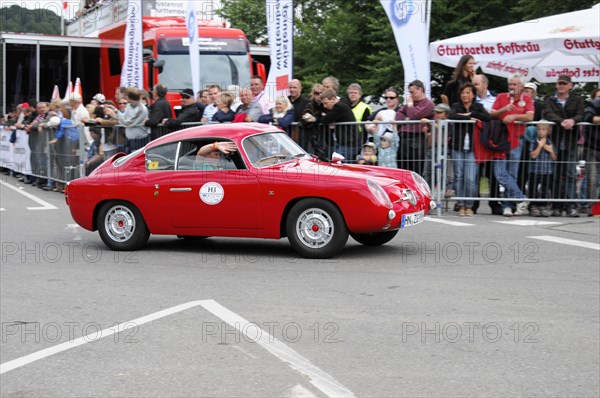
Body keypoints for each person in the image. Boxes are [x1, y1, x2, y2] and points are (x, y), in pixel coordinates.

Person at [490, 73, 533, 217]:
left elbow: (530, 116)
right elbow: (492, 114)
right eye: (510, 84)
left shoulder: (526, 98)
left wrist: (514, 116)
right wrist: (504, 110)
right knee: (500, 173)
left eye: (515, 84)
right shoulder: (502, 97)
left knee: (512, 174)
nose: (512, 87)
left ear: (521, 86)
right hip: (501, 140)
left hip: (517, 140)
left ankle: (508, 206)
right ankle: (521, 198)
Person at [543, 74, 585, 217]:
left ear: (570, 86)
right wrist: (562, 121)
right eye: (559, 83)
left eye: (564, 83)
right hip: (554, 139)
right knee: (555, 174)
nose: (561, 86)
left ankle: (571, 205)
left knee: (569, 174)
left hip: (571, 140)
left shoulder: (578, 99)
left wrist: (572, 121)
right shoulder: (550, 99)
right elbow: (548, 113)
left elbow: (581, 114)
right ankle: (556, 205)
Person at [449, 83, 491, 216]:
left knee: (471, 178)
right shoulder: (456, 106)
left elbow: (487, 117)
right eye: (463, 93)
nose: (465, 95)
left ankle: (469, 205)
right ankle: (461, 205)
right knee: (459, 176)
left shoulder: (477, 107)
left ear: (473, 94)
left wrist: (472, 113)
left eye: (468, 92)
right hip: (458, 147)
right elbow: (452, 116)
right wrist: (468, 117)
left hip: (473, 147)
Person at [472, 73, 501, 215]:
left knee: (493, 175)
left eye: (476, 84)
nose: (473, 87)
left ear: (485, 85)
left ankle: (494, 203)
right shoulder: (471, 100)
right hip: (475, 142)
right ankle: (473, 204)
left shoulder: (496, 100)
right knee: (475, 175)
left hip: (491, 142)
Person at [395, 80, 434, 174]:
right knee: (403, 169)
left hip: (417, 138)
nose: (410, 95)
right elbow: (398, 115)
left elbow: (414, 115)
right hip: (404, 137)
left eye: (412, 92)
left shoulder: (428, 104)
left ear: (420, 89)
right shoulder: (410, 103)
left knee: (415, 169)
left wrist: (410, 105)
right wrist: (407, 117)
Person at [104, 87, 149, 153]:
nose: (125, 98)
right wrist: (115, 110)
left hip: (139, 140)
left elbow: (127, 123)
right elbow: (124, 118)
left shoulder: (141, 109)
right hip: (129, 139)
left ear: (130, 98)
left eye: (126, 96)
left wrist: (115, 114)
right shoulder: (129, 105)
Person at [320, 88, 360, 161]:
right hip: (346, 142)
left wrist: (323, 116)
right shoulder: (340, 106)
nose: (325, 106)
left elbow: (325, 120)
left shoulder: (339, 107)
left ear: (333, 99)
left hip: (349, 144)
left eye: (326, 103)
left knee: (339, 165)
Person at [528, 121, 556, 217]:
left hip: (547, 171)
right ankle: (533, 206)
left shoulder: (550, 142)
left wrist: (551, 151)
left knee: (545, 189)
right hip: (535, 170)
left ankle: (543, 206)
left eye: (543, 130)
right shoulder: (534, 141)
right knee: (533, 189)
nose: (540, 132)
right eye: (539, 129)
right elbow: (533, 155)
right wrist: (540, 146)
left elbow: (554, 158)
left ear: (548, 131)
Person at [581, 88, 600, 216]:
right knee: (592, 178)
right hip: (592, 146)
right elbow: (588, 117)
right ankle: (592, 206)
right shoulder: (593, 104)